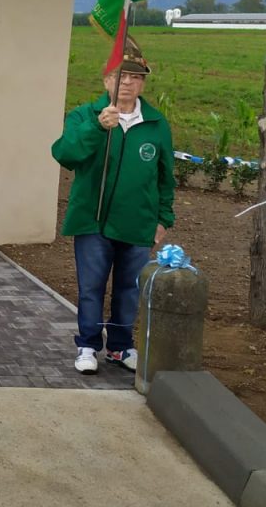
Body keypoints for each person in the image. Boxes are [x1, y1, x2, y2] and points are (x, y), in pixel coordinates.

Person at [51, 42, 174, 375]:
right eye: (121, 76)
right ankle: (88, 345)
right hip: (93, 220)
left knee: (128, 288)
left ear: (143, 84)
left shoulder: (156, 124)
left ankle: (120, 347)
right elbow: (65, 154)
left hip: (137, 222)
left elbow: (165, 177)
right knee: (91, 286)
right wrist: (97, 128)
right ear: (107, 81)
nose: (128, 84)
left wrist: (164, 218)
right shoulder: (86, 116)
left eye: (136, 77)